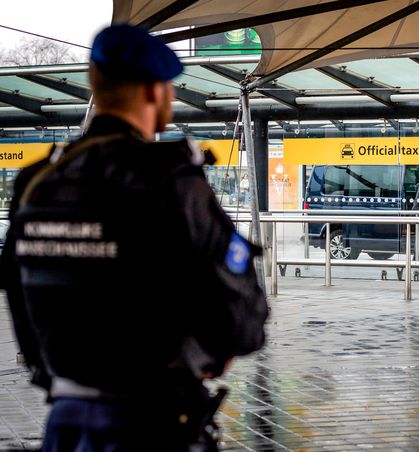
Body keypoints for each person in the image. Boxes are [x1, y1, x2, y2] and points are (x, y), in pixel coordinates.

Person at [0, 24, 268, 451]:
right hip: (151, 420)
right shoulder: (170, 179)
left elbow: (16, 292)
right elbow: (237, 313)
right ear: (152, 91)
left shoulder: (38, 181)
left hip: (67, 422)